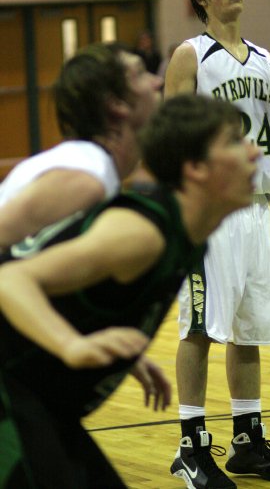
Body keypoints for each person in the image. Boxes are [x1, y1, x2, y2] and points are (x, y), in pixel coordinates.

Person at [0, 94, 260, 489]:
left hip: (39, 399)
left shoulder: (187, 235)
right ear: (195, 167)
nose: (254, 151)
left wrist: (107, 345)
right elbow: (10, 279)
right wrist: (71, 344)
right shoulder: (141, 233)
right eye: (232, 142)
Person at [164, 0, 270, 488]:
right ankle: (191, 446)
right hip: (213, 212)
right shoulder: (190, 56)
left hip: (257, 211)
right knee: (201, 327)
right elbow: (169, 138)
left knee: (248, 331)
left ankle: (246, 442)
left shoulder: (266, 62)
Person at [0, 42, 164, 401]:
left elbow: (40, 268)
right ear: (116, 104)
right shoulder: (85, 177)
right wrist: (68, 342)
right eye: (140, 74)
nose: (156, 82)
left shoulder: (97, 170)